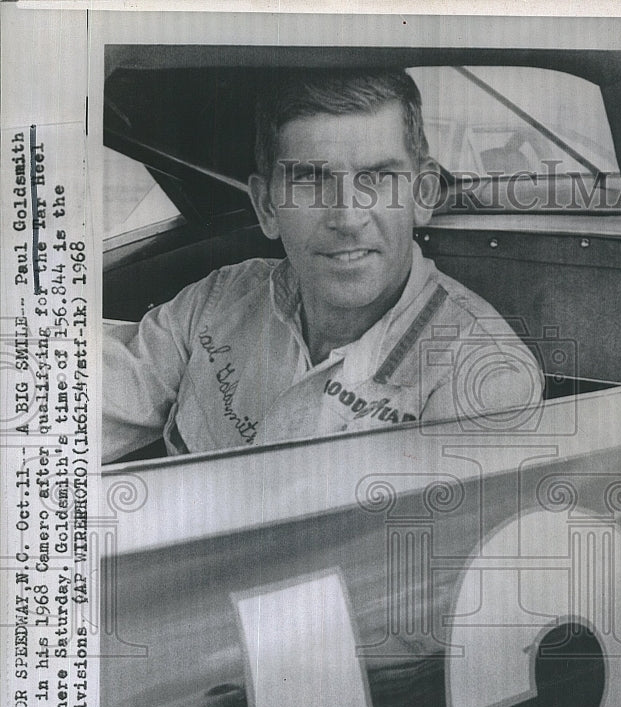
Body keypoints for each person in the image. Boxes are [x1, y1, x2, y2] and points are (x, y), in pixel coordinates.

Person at [102, 69, 543, 463]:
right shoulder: (221, 298)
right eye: (311, 180)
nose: (347, 218)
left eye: (376, 179)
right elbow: (83, 400)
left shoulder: (483, 377)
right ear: (266, 206)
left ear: (423, 194)